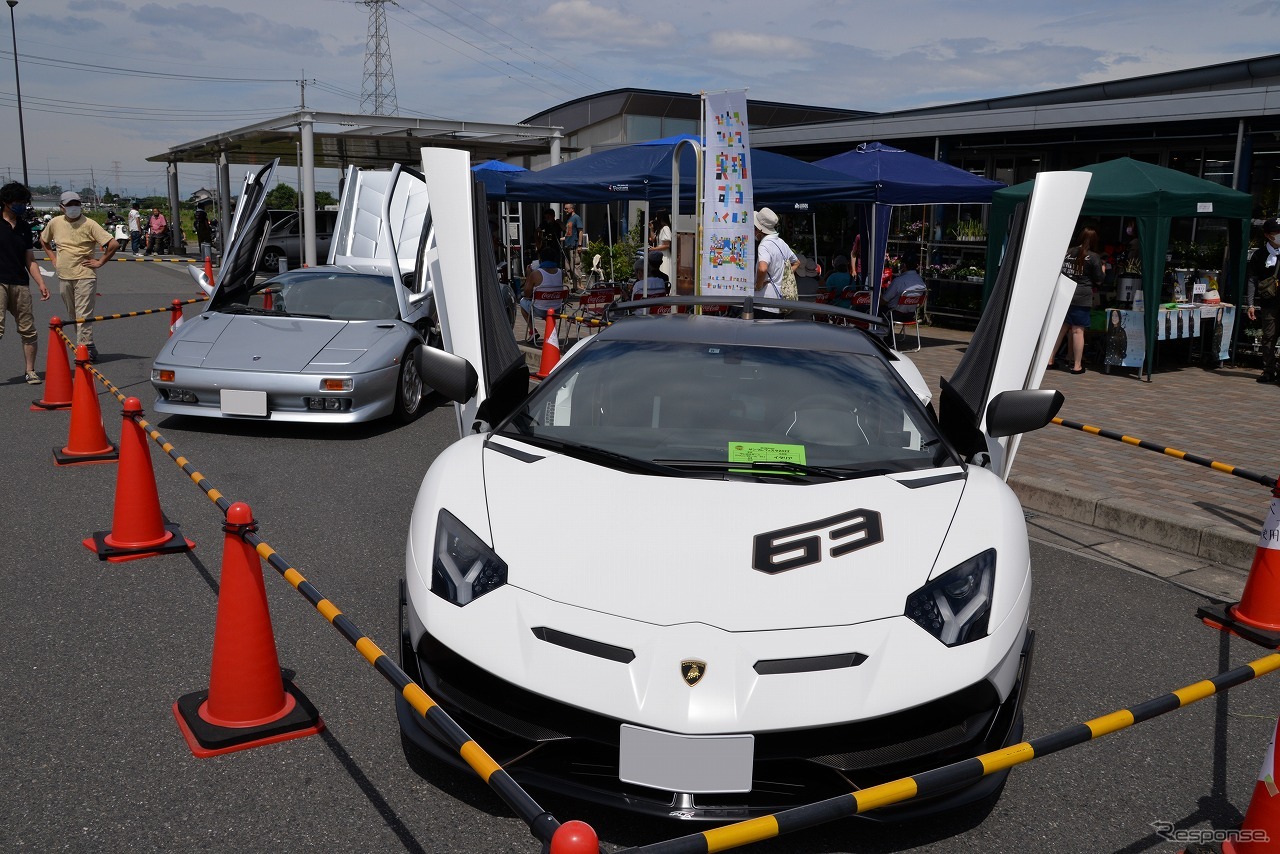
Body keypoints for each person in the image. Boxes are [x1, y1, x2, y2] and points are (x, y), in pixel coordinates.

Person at [41, 191, 118, 361]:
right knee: (73, 314)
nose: (73, 208)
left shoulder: (89, 224)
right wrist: (53, 258)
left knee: (83, 313)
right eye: (69, 205)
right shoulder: (55, 223)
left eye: (76, 204)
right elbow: (44, 240)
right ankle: (88, 345)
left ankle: (84, 348)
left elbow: (113, 244)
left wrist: (100, 262)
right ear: (62, 207)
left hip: (85, 275)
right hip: (64, 275)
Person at [0, 182, 50, 383]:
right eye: (17, 202)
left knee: (28, 329)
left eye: (23, 202)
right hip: (0, 282)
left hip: (20, 283)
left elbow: (30, 259)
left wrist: (41, 283)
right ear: (6, 202)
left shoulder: (24, 227)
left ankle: (30, 371)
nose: (21, 206)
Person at [1049, 224, 1104, 375]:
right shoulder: (1093, 257)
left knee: (1061, 329)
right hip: (1081, 296)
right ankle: (1077, 365)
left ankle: (1050, 359)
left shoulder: (1068, 252)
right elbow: (1099, 280)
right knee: (1078, 330)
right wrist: (1103, 271)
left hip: (1064, 294)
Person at [1246, 218, 1280, 383]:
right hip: (1268, 304)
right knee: (1268, 337)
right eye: (1276, 233)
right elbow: (1252, 280)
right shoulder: (1259, 255)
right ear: (1267, 235)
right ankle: (1268, 370)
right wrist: (1251, 304)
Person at [753, 207, 797, 317]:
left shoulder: (764, 245)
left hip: (763, 302)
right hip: (779, 301)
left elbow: (762, 268)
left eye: (755, 228)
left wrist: (758, 286)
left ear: (760, 230)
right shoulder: (781, 242)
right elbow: (797, 262)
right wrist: (783, 277)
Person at [519, 245, 565, 346]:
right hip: (557, 309)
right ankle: (552, 332)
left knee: (522, 302)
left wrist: (528, 275)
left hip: (540, 310)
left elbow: (527, 294)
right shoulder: (561, 273)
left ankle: (532, 330)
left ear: (541, 259)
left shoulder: (536, 274)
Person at [648, 212, 673, 281]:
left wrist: (654, 249)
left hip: (664, 255)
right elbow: (653, 240)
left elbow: (667, 245)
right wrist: (651, 229)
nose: (655, 219)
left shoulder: (666, 228)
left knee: (664, 270)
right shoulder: (660, 229)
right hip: (659, 254)